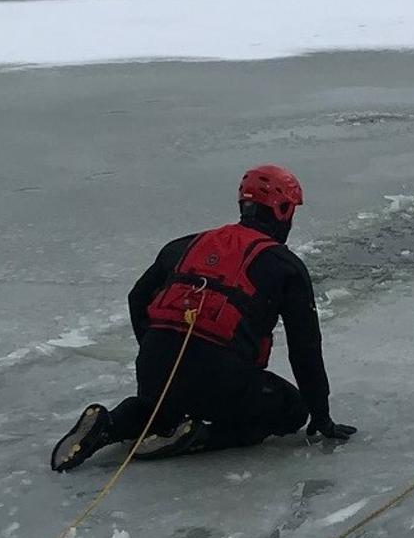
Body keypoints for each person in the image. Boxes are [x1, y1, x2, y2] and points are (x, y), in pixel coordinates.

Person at [50, 165, 357, 472]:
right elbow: (305, 347)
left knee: (162, 409)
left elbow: (137, 298)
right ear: (282, 209)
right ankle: (201, 436)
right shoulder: (285, 265)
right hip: (218, 375)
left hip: (156, 365)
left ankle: (108, 423)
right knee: (291, 410)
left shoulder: (185, 244)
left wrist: (155, 350)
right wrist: (321, 415)